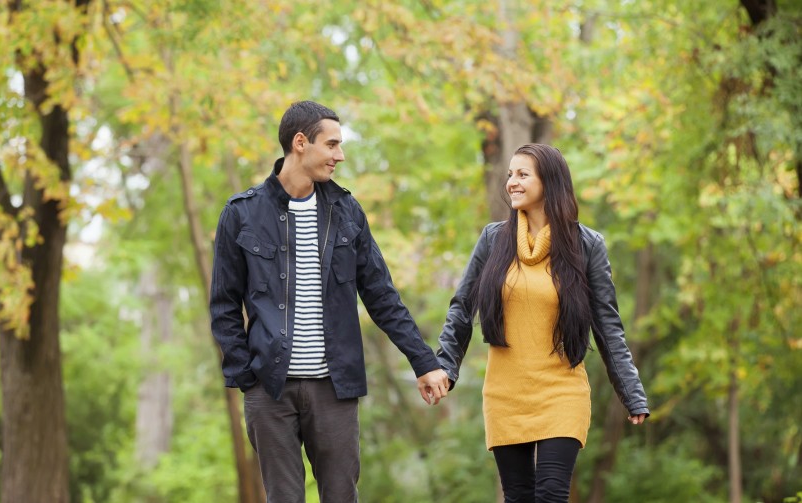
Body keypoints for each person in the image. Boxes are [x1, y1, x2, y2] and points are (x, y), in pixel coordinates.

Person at [209, 100, 449, 503]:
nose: (340, 155)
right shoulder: (242, 213)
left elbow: (381, 295)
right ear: (300, 143)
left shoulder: (347, 212)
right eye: (332, 144)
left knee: (341, 497)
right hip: (269, 388)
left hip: (334, 389)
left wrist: (423, 361)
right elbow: (224, 305)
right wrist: (245, 375)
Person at [436, 143, 649, 502]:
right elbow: (462, 307)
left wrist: (631, 392)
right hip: (506, 392)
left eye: (522, 175)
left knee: (551, 494)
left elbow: (608, 325)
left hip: (561, 390)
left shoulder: (586, 245)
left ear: (549, 182)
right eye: (510, 175)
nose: (512, 183)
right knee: (518, 496)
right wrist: (444, 367)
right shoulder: (493, 240)